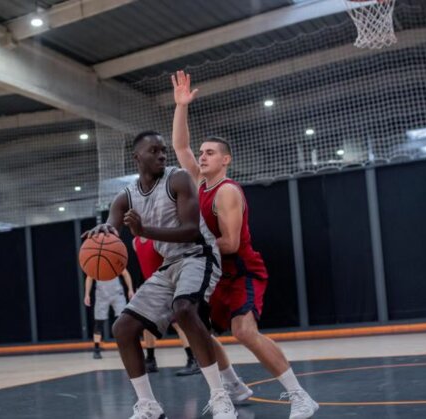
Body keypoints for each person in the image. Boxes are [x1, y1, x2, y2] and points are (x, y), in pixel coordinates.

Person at [171, 70, 319, 419]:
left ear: (226, 160)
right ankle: (234, 386)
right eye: (202, 153)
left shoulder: (226, 191)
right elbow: (180, 146)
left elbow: (232, 242)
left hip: (240, 271)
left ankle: (300, 396)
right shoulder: (198, 184)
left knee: (244, 332)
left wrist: (190, 248)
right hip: (214, 274)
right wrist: (181, 107)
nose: (203, 157)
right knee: (196, 330)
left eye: (210, 153)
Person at [85, 131, 237, 419]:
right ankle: (148, 405)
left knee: (184, 310)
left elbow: (191, 231)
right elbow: (112, 225)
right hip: (169, 265)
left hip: (198, 255)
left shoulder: (178, 179)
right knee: (123, 328)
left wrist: (144, 232)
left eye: (163, 150)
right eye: (153, 151)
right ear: (136, 158)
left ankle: (220, 397)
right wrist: (102, 234)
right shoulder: (125, 196)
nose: (161, 155)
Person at [132, 236, 200, 376]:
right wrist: (139, 287)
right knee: (146, 323)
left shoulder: (157, 240)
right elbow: (141, 266)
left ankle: (193, 360)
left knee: (178, 324)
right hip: (151, 287)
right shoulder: (135, 242)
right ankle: (150, 361)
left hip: (168, 285)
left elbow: (174, 262)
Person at [84, 269, 134, 359]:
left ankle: (125, 348)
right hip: (101, 294)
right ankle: (96, 349)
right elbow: (89, 278)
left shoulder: (114, 258)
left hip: (117, 293)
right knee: (99, 323)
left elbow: (125, 273)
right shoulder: (95, 262)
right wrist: (87, 294)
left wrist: (130, 289)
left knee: (122, 322)